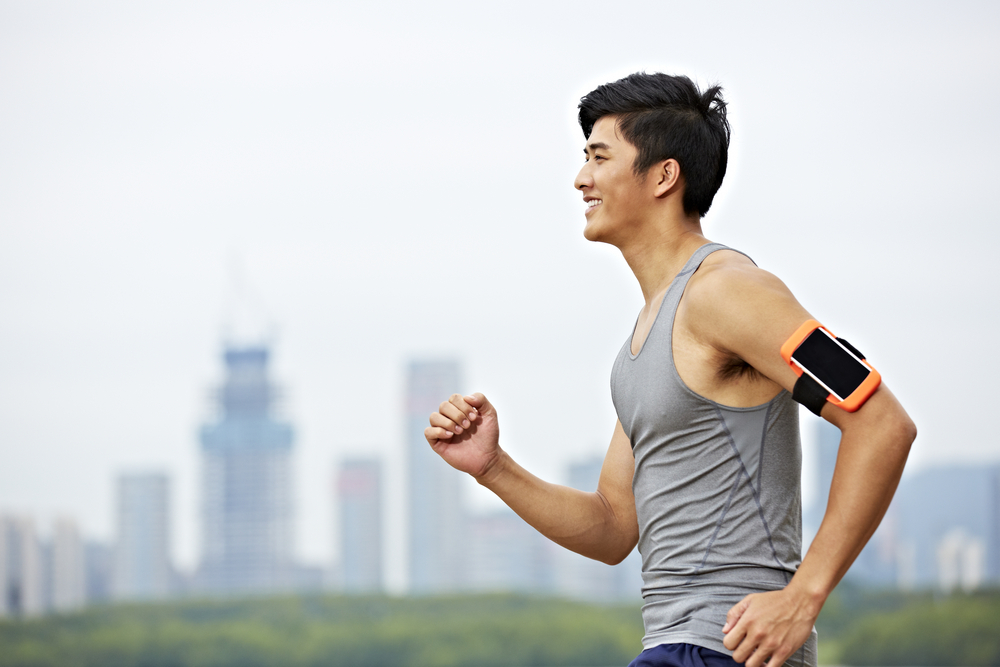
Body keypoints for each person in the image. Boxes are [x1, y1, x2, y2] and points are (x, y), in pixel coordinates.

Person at [424, 72, 915, 667]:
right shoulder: (644, 337)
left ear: (663, 175)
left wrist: (802, 597)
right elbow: (611, 528)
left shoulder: (730, 292)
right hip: (671, 645)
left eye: (599, 157)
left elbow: (882, 423)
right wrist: (493, 467)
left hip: (724, 648)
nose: (581, 179)